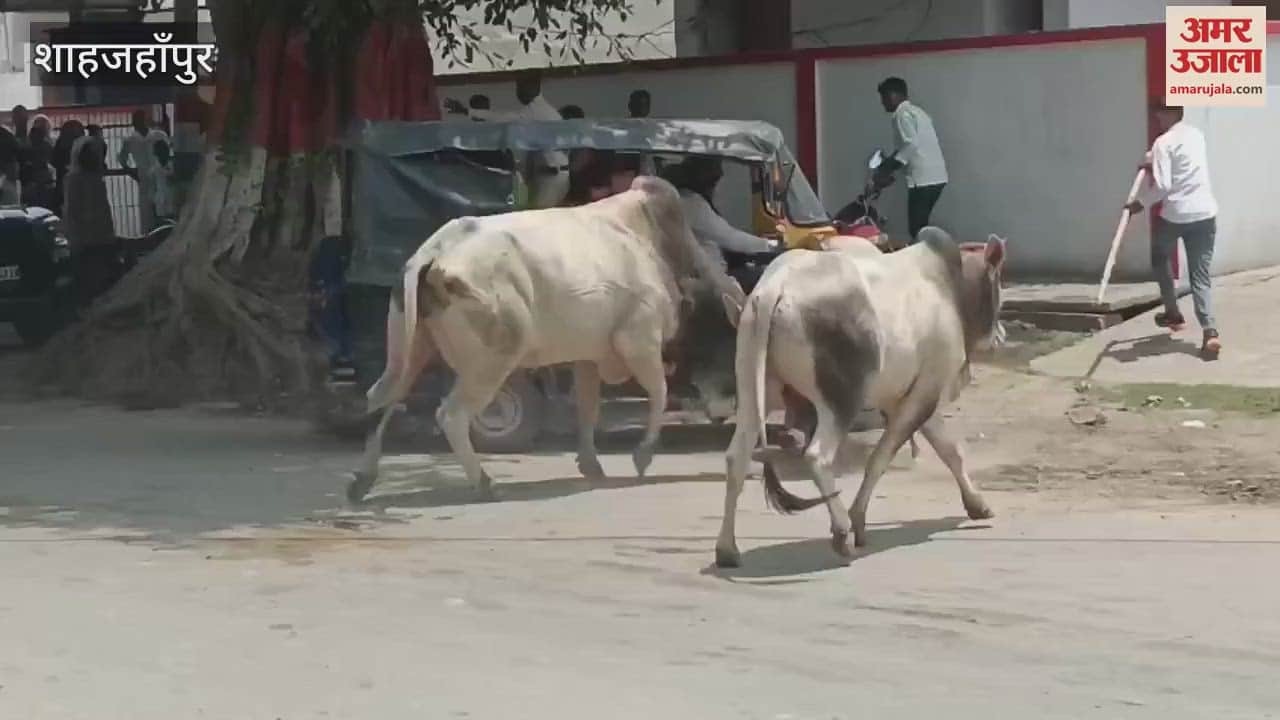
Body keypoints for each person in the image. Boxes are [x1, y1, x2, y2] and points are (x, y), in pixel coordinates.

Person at [1124, 102, 1221, 358]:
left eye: (1160, 111)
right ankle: (1210, 331)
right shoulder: (1196, 135)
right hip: (1205, 213)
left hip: (1176, 215)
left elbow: (1164, 185)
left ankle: (1173, 313)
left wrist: (1140, 203)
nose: (1157, 116)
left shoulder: (1162, 143)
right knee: (1200, 276)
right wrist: (1152, 159)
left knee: (1159, 257)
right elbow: (1182, 160)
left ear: (1171, 113)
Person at [667, 156, 772, 291]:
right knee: (767, 277)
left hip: (696, 274)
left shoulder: (678, 200)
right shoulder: (690, 202)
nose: (721, 174)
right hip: (712, 279)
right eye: (714, 180)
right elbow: (731, 238)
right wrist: (769, 246)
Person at [872, 77, 948, 242]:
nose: (883, 102)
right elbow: (909, 145)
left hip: (922, 179)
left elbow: (911, 144)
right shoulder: (919, 112)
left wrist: (890, 167)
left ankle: (926, 256)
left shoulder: (901, 114)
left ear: (894, 95)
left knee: (917, 229)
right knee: (921, 226)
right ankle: (928, 253)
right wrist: (890, 162)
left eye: (884, 97)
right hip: (937, 177)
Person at [62, 135, 118, 305]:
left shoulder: (96, 177)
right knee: (88, 281)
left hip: (102, 236)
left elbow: (104, 208)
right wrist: (75, 238)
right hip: (85, 239)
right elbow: (71, 211)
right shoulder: (73, 179)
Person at [117, 109, 160, 232]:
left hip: (159, 175)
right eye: (139, 120)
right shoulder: (129, 140)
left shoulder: (158, 135)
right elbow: (122, 159)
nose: (141, 122)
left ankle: (161, 234)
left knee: (160, 207)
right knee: (147, 211)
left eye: (143, 120)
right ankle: (150, 236)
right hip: (143, 177)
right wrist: (132, 173)